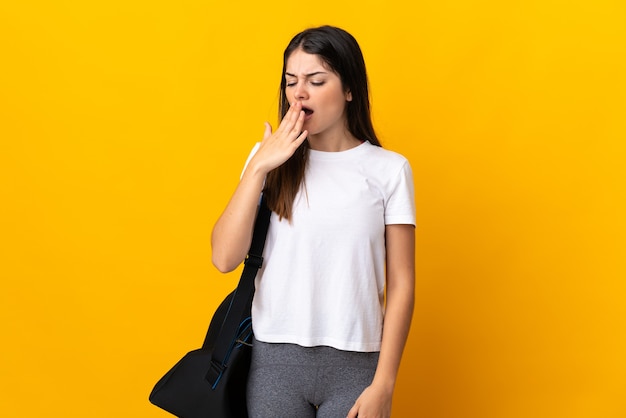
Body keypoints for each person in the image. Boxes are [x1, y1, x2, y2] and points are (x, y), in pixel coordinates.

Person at [211, 25, 415, 418]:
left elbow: (403, 282)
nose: (299, 93)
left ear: (350, 89)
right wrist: (258, 169)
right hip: (274, 363)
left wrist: (385, 383)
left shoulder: (389, 170)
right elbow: (223, 258)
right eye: (291, 82)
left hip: (357, 366)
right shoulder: (268, 160)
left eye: (316, 80)